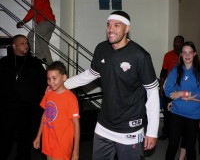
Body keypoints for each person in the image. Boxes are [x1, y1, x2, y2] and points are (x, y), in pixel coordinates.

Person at [64, 10, 160, 160]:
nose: (111, 29)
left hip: (130, 129)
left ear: (127, 29)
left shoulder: (140, 56)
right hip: (104, 126)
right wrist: (63, 85)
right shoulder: (101, 49)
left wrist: (152, 131)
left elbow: (152, 93)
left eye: (117, 25)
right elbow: (91, 74)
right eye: (108, 25)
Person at [0, 34, 47, 160]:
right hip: (9, 108)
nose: (26, 45)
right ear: (14, 46)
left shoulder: (35, 63)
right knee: (5, 136)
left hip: (30, 108)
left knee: (26, 137)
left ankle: (22, 157)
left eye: (27, 43)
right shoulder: (3, 63)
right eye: (23, 43)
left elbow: (44, 83)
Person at [33, 61, 80, 160]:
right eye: (49, 79)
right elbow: (45, 115)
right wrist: (38, 136)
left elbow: (76, 124)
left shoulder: (70, 98)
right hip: (48, 141)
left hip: (62, 145)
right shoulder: (49, 94)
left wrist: (75, 151)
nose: (51, 82)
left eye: (54, 78)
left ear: (64, 78)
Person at [164, 41, 200, 160]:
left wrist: (180, 93)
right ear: (181, 55)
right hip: (176, 113)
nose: (187, 55)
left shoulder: (198, 72)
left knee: (190, 148)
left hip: (193, 116)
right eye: (184, 53)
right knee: (172, 145)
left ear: (195, 54)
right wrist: (187, 95)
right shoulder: (176, 70)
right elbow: (167, 90)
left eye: (190, 52)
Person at [16, 0, 56, 65]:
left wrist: (23, 21)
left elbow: (33, 10)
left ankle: (40, 57)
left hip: (46, 22)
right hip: (50, 23)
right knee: (43, 44)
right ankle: (50, 66)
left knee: (31, 36)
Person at [159, 35, 184, 140]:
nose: (176, 44)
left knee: (180, 113)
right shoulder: (168, 55)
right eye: (175, 42)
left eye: (179, 42)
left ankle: (180, 132)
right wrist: (161, 87)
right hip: (169, 89)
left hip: (181, 90)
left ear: (182, 43)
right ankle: (166, 132)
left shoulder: (186, 56)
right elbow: (163, 72)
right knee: (167, 113)